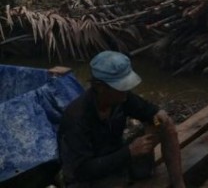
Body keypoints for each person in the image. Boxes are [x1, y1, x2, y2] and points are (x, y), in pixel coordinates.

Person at [58, 51, 186, 188]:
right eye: (121, 87)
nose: (126, 92)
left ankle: (179, 184)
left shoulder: (121, 99)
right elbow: (81, 170)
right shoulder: (77, 117)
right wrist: (129, 152)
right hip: (88, 177)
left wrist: (157, 118)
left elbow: (149, 111)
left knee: (166, 125)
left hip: (117, 159)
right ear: (100, 87)